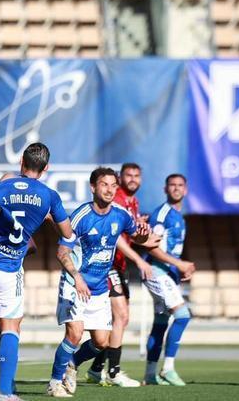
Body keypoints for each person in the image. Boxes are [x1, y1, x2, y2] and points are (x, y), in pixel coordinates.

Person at [0, 142, 77, 401]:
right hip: (9, 268)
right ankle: (5, 391)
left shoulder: (5, 186)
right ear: (46, 168)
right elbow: (68, 233)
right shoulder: (49, 196)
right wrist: (61, 238)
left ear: (21, 163)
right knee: (11, 327)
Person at [46, 167, 158, 397]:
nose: (109, 189)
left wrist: (144, 234)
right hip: (75, 282)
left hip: (99, 286)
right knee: (75, 334)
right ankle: (54, 383)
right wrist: (77, 278)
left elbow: (137, 236)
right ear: (93, 187)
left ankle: (72, 364)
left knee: (101, 342)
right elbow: (62, 252)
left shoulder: (121, 214)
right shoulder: (80, 216)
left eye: (113, 185)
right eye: (104, 184)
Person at [86, 162, 152, 387]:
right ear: (121, 179)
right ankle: (113, 372)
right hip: (108, 265)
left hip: (120, 267)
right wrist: (138, 259)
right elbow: (117, 238)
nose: (132, 179)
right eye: (128, 175)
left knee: (118, 321)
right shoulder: (119, 200)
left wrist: (143, 233)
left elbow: (132, 233)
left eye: (136, 175)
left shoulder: (133, 202)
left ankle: (96, 369)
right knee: (120, 318)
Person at [142, 173, 196, 386]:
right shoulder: (162, 214)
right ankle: (168, 369)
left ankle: (149, 374)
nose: (176, 188)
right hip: (156, 271)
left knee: (161, 324)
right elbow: (151, 247)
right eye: (172, 185)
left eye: (180, 185)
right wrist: (180, 264)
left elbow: (169, 249)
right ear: (165, 189)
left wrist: (179, 268)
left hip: (167, 274)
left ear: (186, 190)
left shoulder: (179, 217)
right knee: (182, 315)